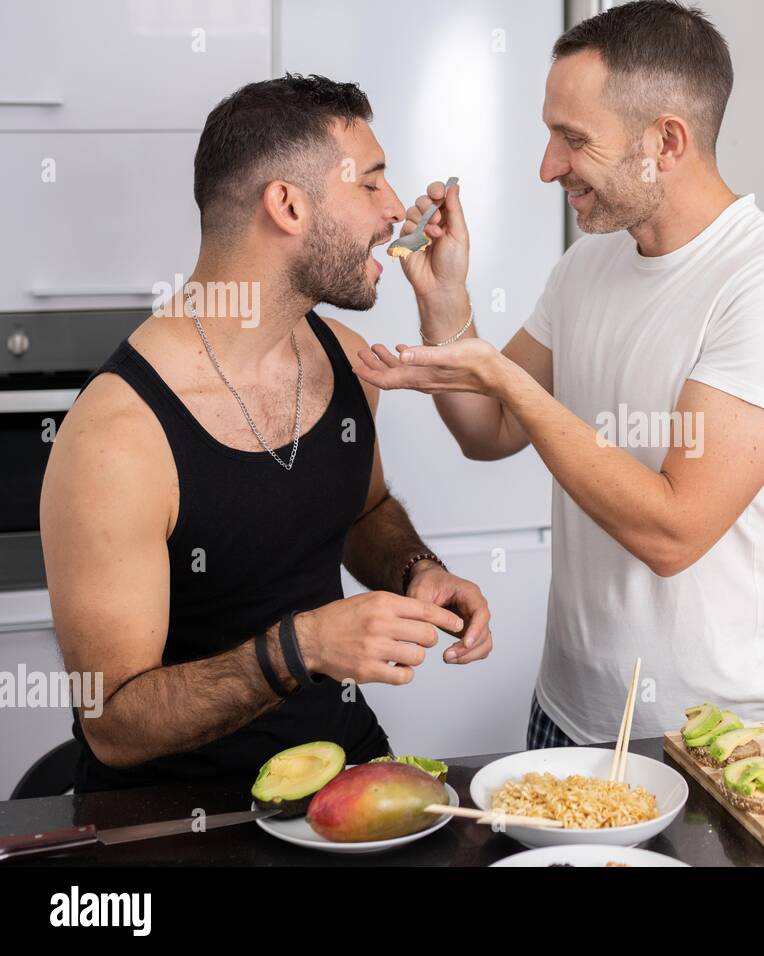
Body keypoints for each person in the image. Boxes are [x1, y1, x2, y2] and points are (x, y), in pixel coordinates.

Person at [356, 1, 764, 746]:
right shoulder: (590, 262)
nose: (548, 167)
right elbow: (489, 430)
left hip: (720, 731)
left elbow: (674, 533)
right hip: (567, 709)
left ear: (666, 141)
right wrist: (445, 299)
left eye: (572, 140)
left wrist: (506, 378)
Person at [41, 74, 491, 792]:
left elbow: (365, 512)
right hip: (180, 818)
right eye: (371, 184)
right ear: (287, 205)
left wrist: (417, 571)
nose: (395, 211)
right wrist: (304, 646)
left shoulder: (345, 357)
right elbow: (113, 723)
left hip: (345, 775)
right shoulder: (117, 438)